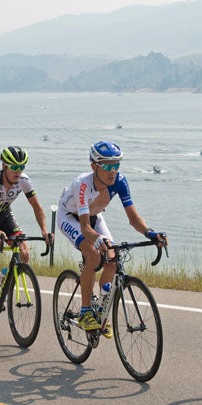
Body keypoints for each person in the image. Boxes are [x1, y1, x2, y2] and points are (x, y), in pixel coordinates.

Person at [57, 141, 167, 332]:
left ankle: (100, 309)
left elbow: (133, 219)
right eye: (107, 165)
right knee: (93, 254)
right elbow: (84, 228)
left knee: (112, 260)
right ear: (94, 166)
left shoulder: (120, 181)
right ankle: (85, 312)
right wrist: (98, 239)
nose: (112, 171)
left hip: (94, 216)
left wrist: (150, 233)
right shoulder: (81, 185)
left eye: (116, 165)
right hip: (71, 218)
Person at [0, 146, 52, 326]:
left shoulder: (24, 181)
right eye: (14, 167)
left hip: (4, 216)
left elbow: (37, 208)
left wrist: (44, 231)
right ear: (4, 166)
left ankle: (6, 277)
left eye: (21, 167)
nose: (18, 171)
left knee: (24, 253)